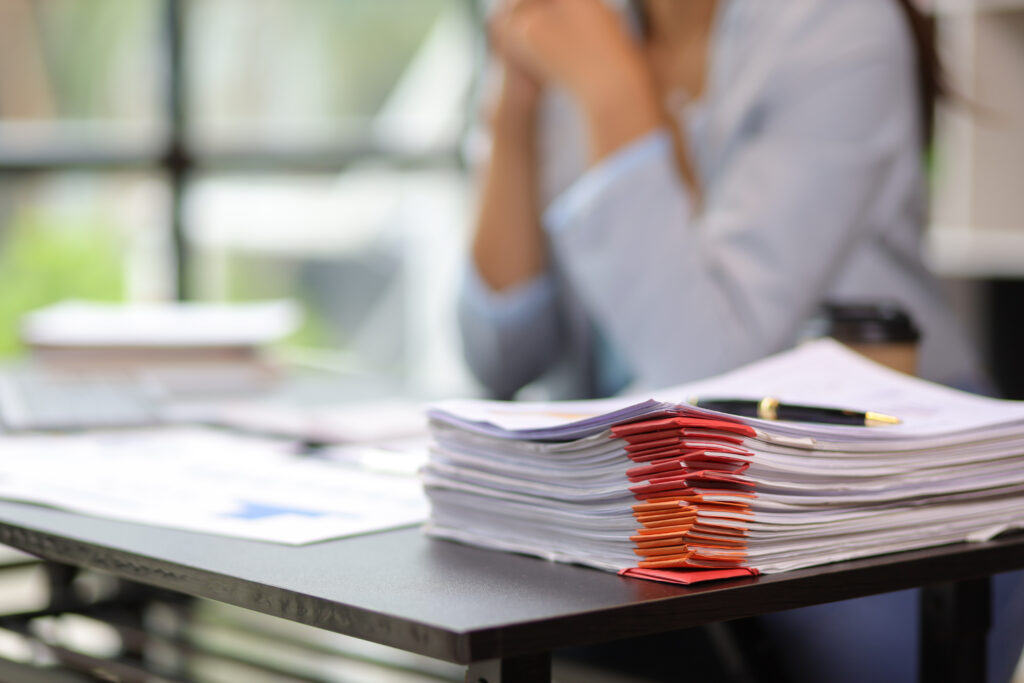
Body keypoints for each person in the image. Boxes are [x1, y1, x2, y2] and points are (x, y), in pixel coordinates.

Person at [457, 1, 1024, 681]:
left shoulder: (837, 23)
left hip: (867, 488)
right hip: (645, 498)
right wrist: (511, 111)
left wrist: (613, 92)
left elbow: (706, 369)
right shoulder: (577, 25)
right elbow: (499, 355)